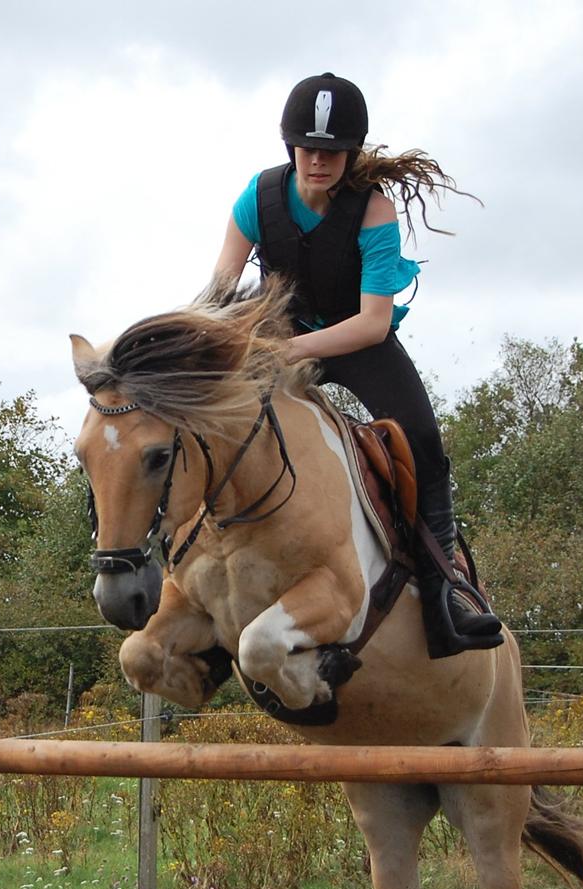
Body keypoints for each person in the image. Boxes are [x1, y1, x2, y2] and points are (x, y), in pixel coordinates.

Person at [213, 71, 503, 658]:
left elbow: (373, 322)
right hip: (279, 333)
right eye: (310, 149)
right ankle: (188, 556)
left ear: (351, 154)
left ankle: (447, 590)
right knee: (217, 418)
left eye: (334, 152)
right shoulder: (257, 198)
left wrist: (288, 350)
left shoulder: (373, 211)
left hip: (358, 345)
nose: (319, 162)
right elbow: (220, 290)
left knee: (422, 438)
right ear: (292, 148)